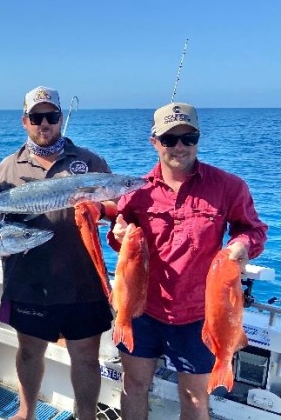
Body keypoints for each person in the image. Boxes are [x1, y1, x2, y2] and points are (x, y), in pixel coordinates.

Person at [107, 102, 267, 420]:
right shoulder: (135, 192)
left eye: (188, 137)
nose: (179, 146)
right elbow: (120, 240)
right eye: (169, 139)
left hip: (198, 315)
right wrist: (118, 233)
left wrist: (241, 245)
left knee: (194, 398)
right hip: (143, 310)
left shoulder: (229, 187)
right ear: (154, 142)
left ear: (198, 138)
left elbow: (253, 230)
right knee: (134, 384)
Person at [0, 86, 116, 420]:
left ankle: (86, 416)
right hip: (28, 277)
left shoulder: (89, 161)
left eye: (51, 116)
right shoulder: (8, 168)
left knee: (85, 355)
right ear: (24, 121)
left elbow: (116, 204)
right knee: (29, 351)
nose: (44, 124)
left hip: (82, 277)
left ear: (60, 118)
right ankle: (27, 412)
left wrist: (103, 210)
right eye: (36, 117)